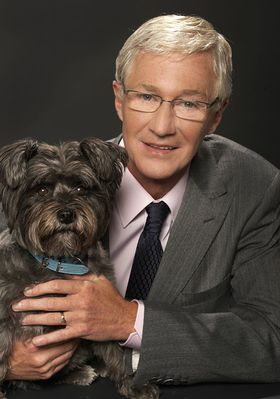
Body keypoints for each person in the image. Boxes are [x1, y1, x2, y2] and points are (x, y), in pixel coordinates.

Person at [4, 13, 280, 388]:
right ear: (119, 99)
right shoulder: (34, 185)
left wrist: (128, 320)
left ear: (216, 116)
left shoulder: (254, 186)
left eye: (189, 104)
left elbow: (271, 338)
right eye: (147, 97)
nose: (162, 126)